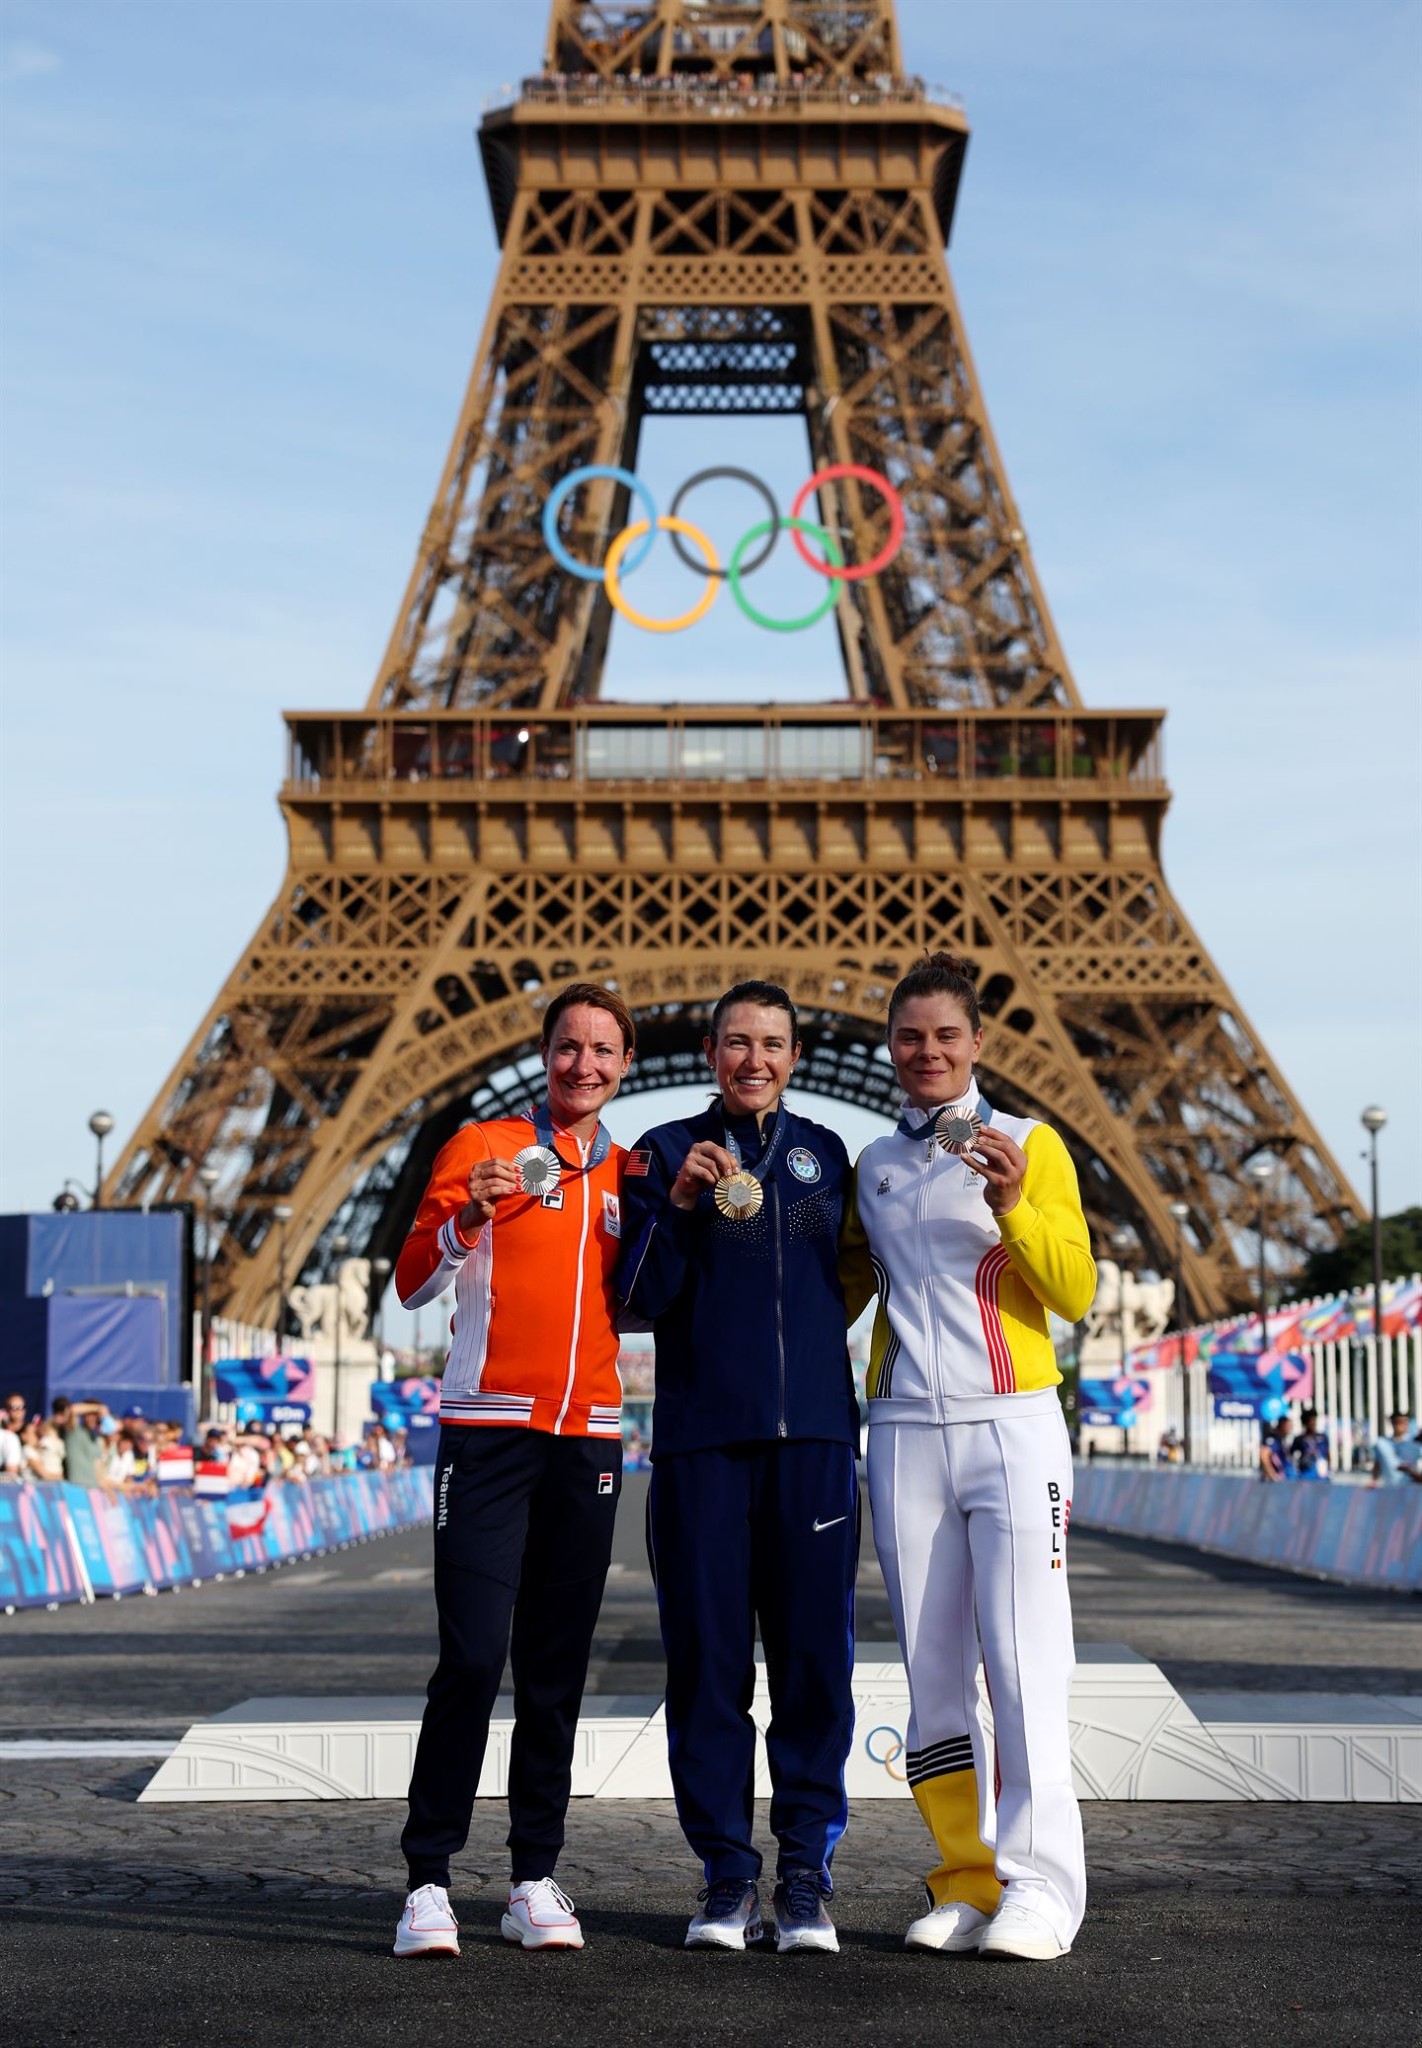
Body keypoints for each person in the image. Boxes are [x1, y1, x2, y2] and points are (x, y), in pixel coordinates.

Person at [839, 951, 1097, 1962]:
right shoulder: (875, 1165)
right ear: (890, 1047)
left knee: (1027, 1661)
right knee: (934, 1674)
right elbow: (842, 1288)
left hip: (1012, 1421)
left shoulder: (1036, 1142)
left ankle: (1043, 1885)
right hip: (904, 1432)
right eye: (909, 1036)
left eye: (946, 1034)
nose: (927, 1051)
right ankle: (967, 1875)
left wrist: (1016, 1202)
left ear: (979, 1041)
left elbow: (1072, 1288)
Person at [392, 983, 636, 1961]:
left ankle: (534, 1870)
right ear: (544, 1052)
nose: (585, 1063)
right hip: (487, 1434)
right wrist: (466, 1220)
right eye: (569, 1044)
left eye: (603, 1049)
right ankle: (427, 1877)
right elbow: (413, 1279)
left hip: (589, 1440)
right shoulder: (480, 1143)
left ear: (625, 1062)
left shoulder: (633, 1169)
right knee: (473, 1654)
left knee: (555, 1669)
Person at [618, 982, 859, 1956]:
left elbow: (847, 1287)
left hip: (812, 1446)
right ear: (710, 1050)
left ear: (794, 1054)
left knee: (813, 1668)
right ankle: (726, 1872)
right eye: (735, 1042)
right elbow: (635, 1296)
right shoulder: (664, 1153)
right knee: (708, 1667)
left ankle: (805, 1873)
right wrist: (675, 1207)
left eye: (772, 1042)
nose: (753, 1058)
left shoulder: (832, 1158)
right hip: (699, 1448)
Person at [1372, 1413, 1422, 1485]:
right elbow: (1377, 1463)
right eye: (1400, 1422)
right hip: (1390, 1489)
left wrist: (1411, 1472)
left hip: (1411, 1490)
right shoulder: (1381, 1443)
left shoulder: (1415, 1444)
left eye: (1406, 1422)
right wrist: (1374, 1480)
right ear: (1393, 1423)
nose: (1404, 1425)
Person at [1290, 1407, 1330, 1481]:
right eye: (1310, 1421)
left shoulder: (1322, 1437)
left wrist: (1328, 1468)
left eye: (1314, 1420)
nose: (1313, 1423)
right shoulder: (1299, 1439)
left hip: (1321, 1475)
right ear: (1305, 1423)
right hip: (1305, 1475)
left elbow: (1328, 1453)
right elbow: (1290, 1455)